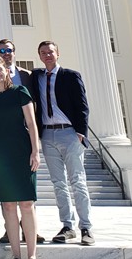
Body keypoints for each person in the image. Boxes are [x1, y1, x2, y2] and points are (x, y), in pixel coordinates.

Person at [31, 41, 95, 246]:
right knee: (58, 183)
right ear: (40, 56)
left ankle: (86, 228)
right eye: (43, 53)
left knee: (77, 181)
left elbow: (82, 106)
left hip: (69, 133)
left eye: (50, 51)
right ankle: (67, 226)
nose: (47, 55)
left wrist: (80, 133)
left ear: (57, 53)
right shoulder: (37, 77)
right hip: (48, 136)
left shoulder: (71, 75)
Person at [0, 56, 40, 259]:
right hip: (0, 152)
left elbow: (31, 123)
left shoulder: (20, 92)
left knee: (27, 204)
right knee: (8, 205)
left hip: (22, 149)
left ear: (7, 70)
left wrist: (36, 151)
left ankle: (32, 256)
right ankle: (16, 256)